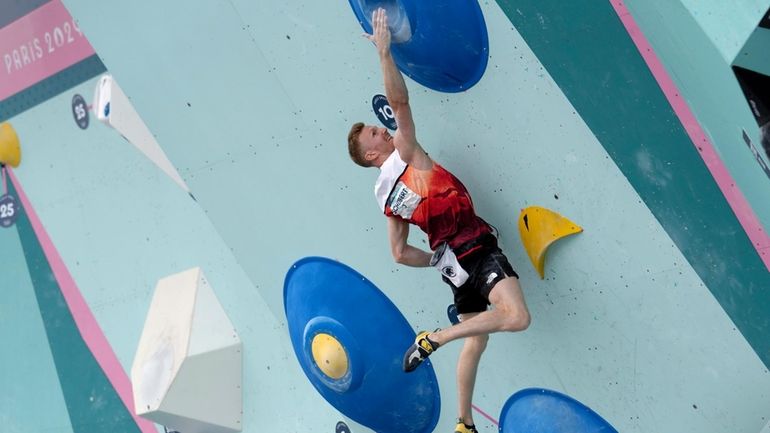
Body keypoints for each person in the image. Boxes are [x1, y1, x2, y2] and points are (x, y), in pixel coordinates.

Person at [346, 8, 532, 433]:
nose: (384, 130)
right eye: (376, 134)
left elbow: (398, 253)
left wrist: (435, 261)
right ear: (372, 156)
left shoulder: (386, 199)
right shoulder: (408, 155)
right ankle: (435, 338)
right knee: (517, 317)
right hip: (475, 247)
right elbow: (400, 101)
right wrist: (383, 54)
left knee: (478, 337)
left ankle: (464, 423)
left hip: (452, 265)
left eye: (379, 128)